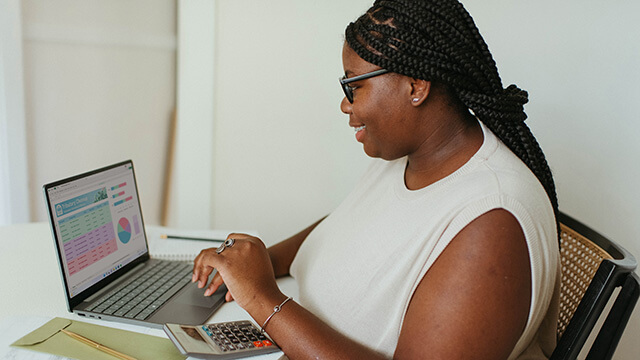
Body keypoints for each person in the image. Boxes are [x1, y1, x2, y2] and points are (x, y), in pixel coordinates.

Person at [192, 0, 560, 358]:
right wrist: (258, 264)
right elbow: (347, 227)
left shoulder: (492, 224)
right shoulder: (409, 157)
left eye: (355, 86)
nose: (345, 104)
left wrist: (262, 298)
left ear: (417, 85)